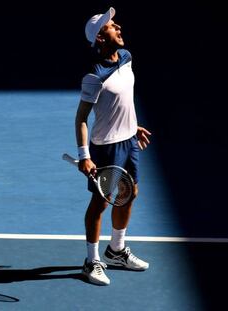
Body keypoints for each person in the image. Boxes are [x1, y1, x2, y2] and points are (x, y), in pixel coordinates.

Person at [75, 7, 152, 286]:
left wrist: (133, 125)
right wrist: (85, 155)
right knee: (101, 202)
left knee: (129, 193)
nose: (118, 28)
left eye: (117, 24)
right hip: (106, 147)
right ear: (99, 38)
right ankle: (90, 261)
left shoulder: (127, 58)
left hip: (129, 140)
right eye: (112, 27)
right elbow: (81, 117)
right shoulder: (94, 76)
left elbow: (123, 101)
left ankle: (116, 250)